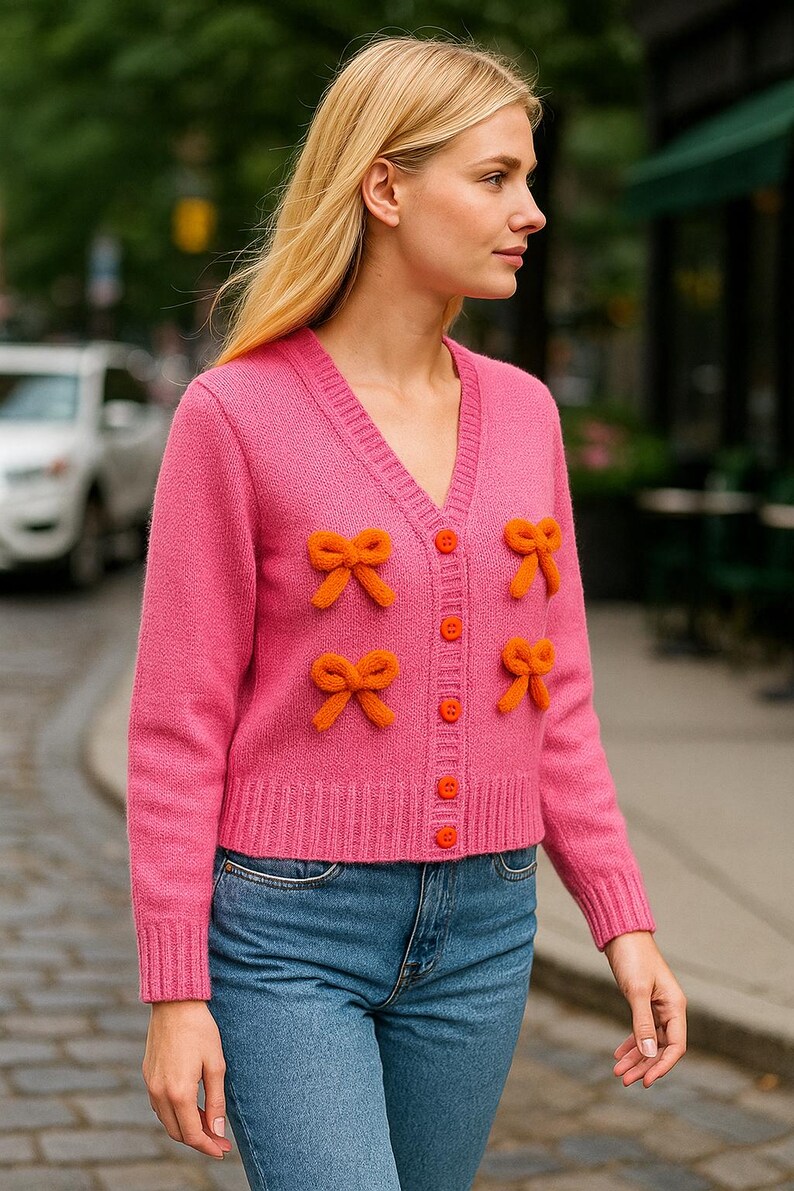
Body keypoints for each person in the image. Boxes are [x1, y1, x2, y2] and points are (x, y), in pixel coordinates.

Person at [126, 31, 687, 1191]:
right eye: (493, 178)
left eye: (527, 179)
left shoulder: (527, 415)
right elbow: (177, 724)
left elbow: (557, 698)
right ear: (383, 186)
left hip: (486, 926)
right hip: (289, 932)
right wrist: (177, 989)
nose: (529, 210)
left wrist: (619, 917)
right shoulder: (232, 416)